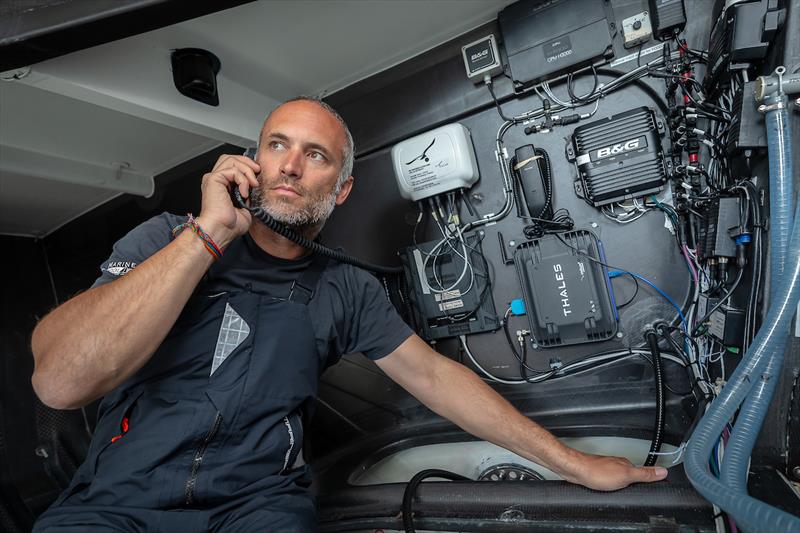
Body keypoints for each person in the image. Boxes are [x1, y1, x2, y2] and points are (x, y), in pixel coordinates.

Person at [30, 97, 668, 532]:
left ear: (341, 189)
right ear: (252, 161)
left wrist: (575, 465)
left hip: (255, 511)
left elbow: (440, 382)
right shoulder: (166, 238)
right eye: (277, 144)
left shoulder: (345, 287)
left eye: (317, 154)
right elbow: (60, 381)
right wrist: (207, 236)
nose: (290, 164)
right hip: (114, 507)